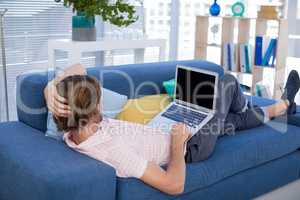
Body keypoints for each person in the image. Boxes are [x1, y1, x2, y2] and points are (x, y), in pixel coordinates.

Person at [44, 64, 300, 195]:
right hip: (192, 146)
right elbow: (174, 184)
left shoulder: (79, 129)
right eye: (97, 95)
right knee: (228, 82)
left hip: (167, 127)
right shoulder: (111, 150)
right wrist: (178, 145)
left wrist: (52, 88)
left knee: (229, 122)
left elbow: (78, 69)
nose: (100, 96)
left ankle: (283, 105)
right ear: (91, 107)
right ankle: (248, 105)